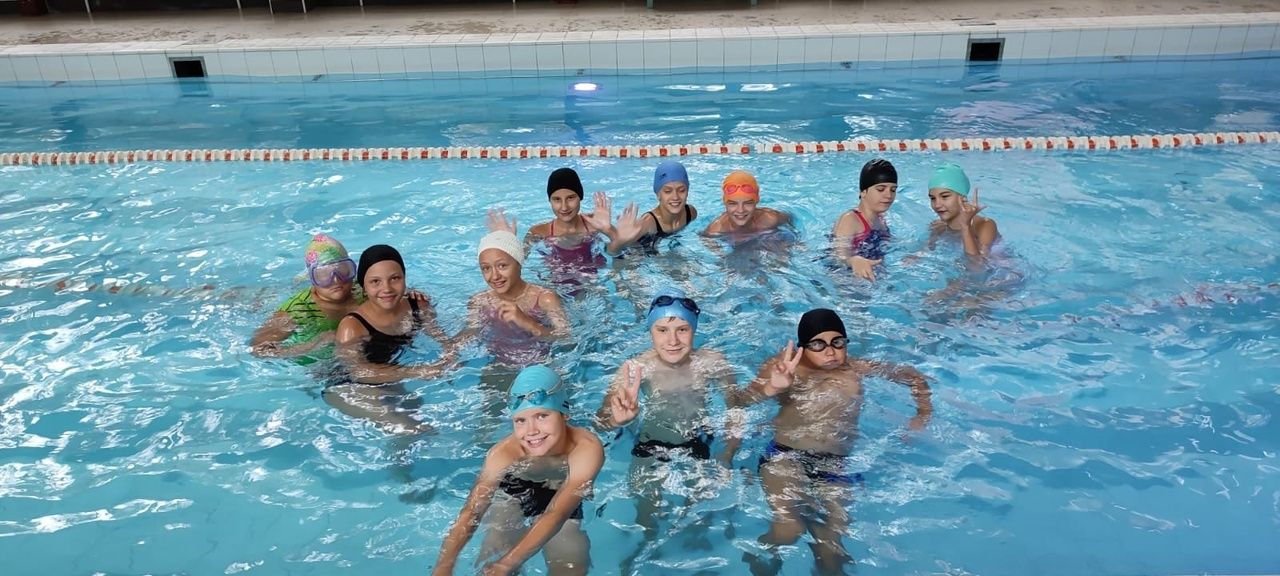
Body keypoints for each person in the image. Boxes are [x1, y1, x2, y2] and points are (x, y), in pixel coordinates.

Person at [733, 308, 932, 575]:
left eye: (838, 342)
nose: (830, 351)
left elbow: (913, 376)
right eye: (818, 344)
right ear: (803, 347)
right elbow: (739, 400)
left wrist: (922, 416)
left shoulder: (855, 369)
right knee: (790, 528)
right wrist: (773, 387)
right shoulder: (784, 368)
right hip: (786, 456)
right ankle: (761, 557)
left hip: (835, 464)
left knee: (833, 547)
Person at [595, 288, 737, 571]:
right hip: (650, 446)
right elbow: (600, 421)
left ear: (694, 329)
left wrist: (727, 455)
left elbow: (737, 409)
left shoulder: (713, 362)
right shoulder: (635, 369)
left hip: (700, 444)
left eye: (682, 330)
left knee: (700, 521)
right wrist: (617, 419)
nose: (672, 341)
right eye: (662, 330)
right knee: (646, 520)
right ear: (650, 331)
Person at [433, 365, 604, 576]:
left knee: (571, 563)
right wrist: (443, 566)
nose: (531, 431)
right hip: (514, 491)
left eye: (542, 416)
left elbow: (557, 513)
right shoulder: (503, 454)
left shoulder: (585, 448)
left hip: (562, 492)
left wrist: (506, 565)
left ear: (564, 414)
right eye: (520, 420)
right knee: (496, 550)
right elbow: (473, 510)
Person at [328, 244, 453, 434]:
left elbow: (442, 339)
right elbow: (358, 372)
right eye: (375, 282)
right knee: (411, 429)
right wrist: (418, 371)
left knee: (423, 419)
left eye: (395, 278)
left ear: (404, 278)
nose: (386, 288)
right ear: (363, 287)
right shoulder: (352, 326)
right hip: (347, 388)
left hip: (390, 380)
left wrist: (451, 358)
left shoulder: (417, 305)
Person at [458, 211, 570, 368]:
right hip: (498, 365)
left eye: (502, 266)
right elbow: (469, 337)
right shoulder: (480, 302)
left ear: (519, 263)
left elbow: (566, 338)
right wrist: (448, 358)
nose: (494, 276)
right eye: (486, 268)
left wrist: (528, 323)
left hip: (541, 366)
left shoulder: (544, 298)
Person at [250, 234, 360, 363]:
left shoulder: (363, 290)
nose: (336, 280)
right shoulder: (298, 310)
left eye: (342, 270)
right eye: (323, 274)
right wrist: (313, 345)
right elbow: (258, 349)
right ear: (312, 278)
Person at [523, 167, 607, 289]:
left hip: (593, 284)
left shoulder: (594, 223)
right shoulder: (539, 232)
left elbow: (619, 249)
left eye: (570, 198)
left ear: (580, 197)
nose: (564, 207)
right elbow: (517, 261)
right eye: (557, 199)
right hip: (555, 286)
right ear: (550, 201)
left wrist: (609, 230)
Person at [600, 160, 699, 255]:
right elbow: (611, 251)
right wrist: (620, 241)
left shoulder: (691, 213)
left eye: (681, 190)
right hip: (634, 255)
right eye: (667, 191)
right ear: (658, 194)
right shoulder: (647, 224)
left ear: (687, 191)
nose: (675, 197)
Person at [832, 159, 898, 281]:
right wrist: (853, 260)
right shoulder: (850, 219)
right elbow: (838, 255)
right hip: (845, 278)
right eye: (880, 189)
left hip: (873, 275)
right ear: (863, 191)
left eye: (893, 190)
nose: (889, 195)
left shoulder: (881, 219)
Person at [924, 163, 1000, 257]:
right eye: (933, 198)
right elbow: (925, 251)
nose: (937, 205)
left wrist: (965, 226)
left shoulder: (985, 225)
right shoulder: (938, 227)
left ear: (963, 197)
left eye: (945, 196)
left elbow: (977, 264)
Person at [702, 170, 790, 239]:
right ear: (724, 202)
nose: (740, 210)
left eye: (748, 203)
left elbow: (790, 222)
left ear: (757, 200)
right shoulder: (715, 230)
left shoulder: (771, 219)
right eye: (733, 204)